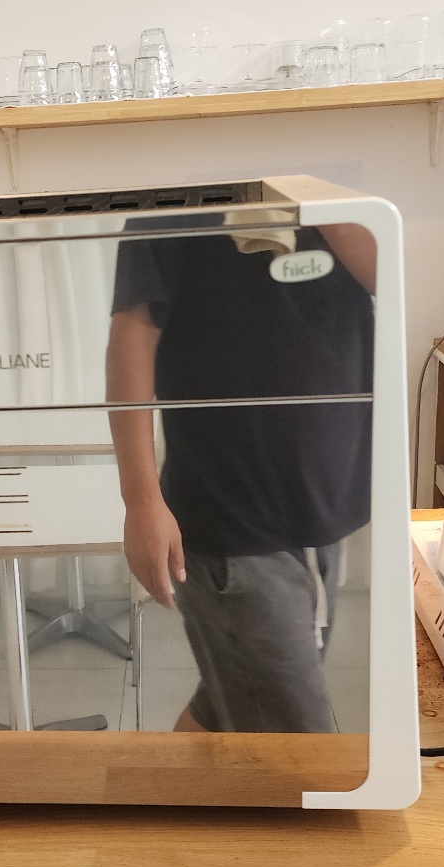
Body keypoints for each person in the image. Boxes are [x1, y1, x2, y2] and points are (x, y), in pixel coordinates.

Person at [106, 222, 377, 734]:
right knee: (295, 746)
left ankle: (167, 787)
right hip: (232, 520)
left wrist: (328, 206)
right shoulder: (182, 195)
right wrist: (140, 502)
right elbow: (133, 334)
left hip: (323, 504)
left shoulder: (333, 196)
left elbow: (391, 278)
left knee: (230, 704)